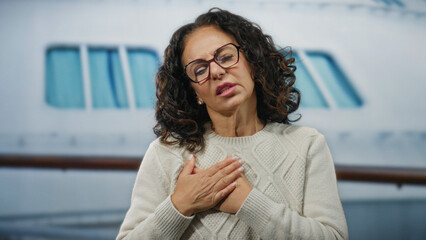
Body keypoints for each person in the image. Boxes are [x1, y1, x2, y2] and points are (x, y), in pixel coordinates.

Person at [116, 8, 348, 240]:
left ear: (253, 63)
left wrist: (249, 203)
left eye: (225, 57)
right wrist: (179, 205)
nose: (216, 71)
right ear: (194, 91)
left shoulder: (307, 144)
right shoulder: (165, 152)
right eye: (200, 69)